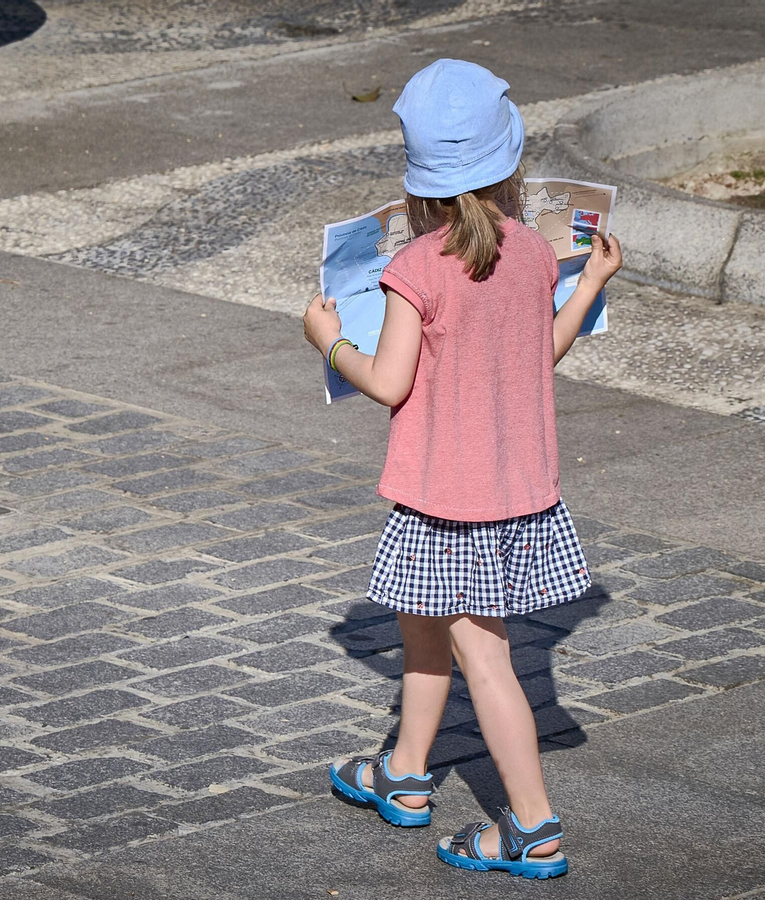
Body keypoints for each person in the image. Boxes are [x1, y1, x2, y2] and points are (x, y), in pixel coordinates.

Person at [303, 58, 622, 879]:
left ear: (420, 186)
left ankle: (533, 827)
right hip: (514, 492)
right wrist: (585, 287)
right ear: (510, 168)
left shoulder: (414, 268)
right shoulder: (524, 252)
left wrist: (326, 338)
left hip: (449, 498)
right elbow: (540, 356)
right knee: (421, 620)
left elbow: (388, 382)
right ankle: (406, 774)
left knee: (487, 656)